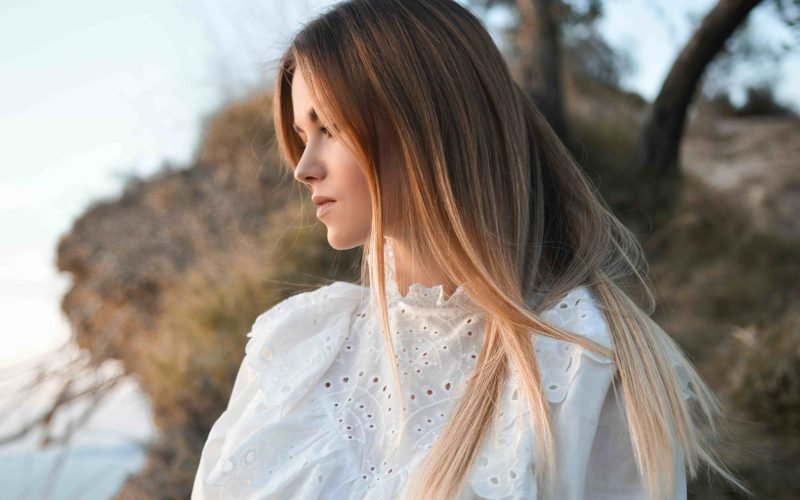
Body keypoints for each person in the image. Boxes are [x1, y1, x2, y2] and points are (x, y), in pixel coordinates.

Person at [192, 1, 750, 499]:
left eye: (329, 128)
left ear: (426, 123)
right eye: (300, 133)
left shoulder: (586, 365)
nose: (303, 166)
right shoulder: (296, 344)